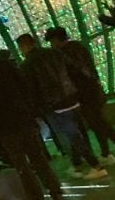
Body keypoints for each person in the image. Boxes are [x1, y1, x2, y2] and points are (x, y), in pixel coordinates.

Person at [0, 41, 65, 200]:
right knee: (38, 157)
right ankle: (55, 190)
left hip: (4, 128)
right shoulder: (7, 66)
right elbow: (26, 89)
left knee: (21, 165)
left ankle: (35, 194)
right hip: (23, 119)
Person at [16, 33, 107, 180]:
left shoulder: (27, 65)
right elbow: (76, 69)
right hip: (72, 98)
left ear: (24, 46)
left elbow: (31, 90)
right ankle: (77, 164)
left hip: (53, 106)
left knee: (71, 136)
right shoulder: (54, 53)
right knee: (77, 133)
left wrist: (35, 109)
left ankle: (96, 166)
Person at [44, 26, 115, 165]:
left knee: (100, 124)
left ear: (56, 39)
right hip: (94, 90)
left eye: (51, 41)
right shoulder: (79, 47)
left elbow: (74, 73)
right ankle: (106, 154)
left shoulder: (65, 53)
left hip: (84, 94)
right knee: (98, 123)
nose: (52, 44)